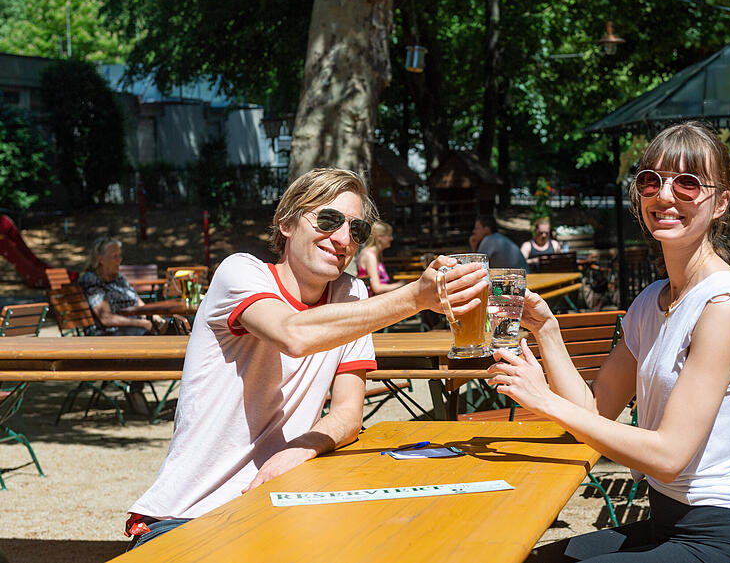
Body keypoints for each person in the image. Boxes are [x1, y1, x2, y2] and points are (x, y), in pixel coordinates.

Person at [124, 168, 487, 549]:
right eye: (328, 220)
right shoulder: (240, 272)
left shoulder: (351, 294)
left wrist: (298, 449)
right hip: (187, 518)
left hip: (274, 505)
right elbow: (293, 334)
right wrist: (416, 298)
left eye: (357, 230)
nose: (344, 239)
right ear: (286, 224)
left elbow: (348, 414)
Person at [489, 122, 730, 562]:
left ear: (721, 203)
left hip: (721, 538)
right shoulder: (650, 302)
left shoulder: (723, 306)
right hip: (665, 523)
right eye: (651, 181)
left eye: (687, 184)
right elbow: (596, 411)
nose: (665, 196)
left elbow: (668, 456)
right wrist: (547, 331)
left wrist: (544, 399)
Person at [78, 237, 167, 336]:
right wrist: (141, 323)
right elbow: (106, 318)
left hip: (133, 327)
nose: (120, 259)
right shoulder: (91, 280)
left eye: (119, 255)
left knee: (173, 326)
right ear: (101, 259)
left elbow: (137, 301)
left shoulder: (118, 277)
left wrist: (154, 317)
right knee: (147, 334)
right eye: (115, 256)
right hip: (108, 332)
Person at [356, 220, 405, 295]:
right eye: (389, 235)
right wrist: (400, 284)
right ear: (380, 237)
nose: (391, 238)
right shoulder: (369, 255)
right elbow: (377, 288)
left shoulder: (376, 254)